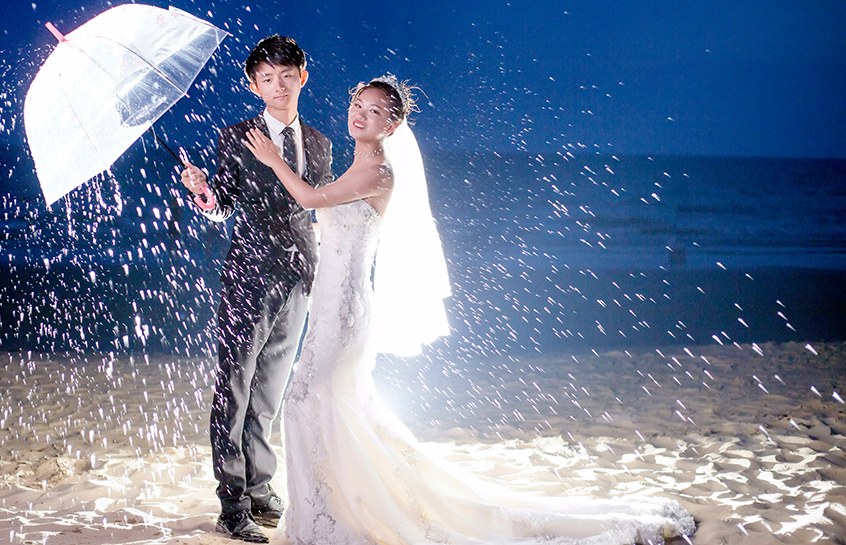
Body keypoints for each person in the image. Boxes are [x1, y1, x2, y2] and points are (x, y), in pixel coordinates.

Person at [243, 75, 697, 545]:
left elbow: (309, 198)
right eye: (359, 104)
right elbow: (330, 224)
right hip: (328, 303)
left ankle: (331, 518)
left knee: (306, 400)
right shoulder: (356, 168)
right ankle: (338, 509)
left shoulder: (378, 171)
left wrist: (274, 160)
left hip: (345, 310)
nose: (361, 114)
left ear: (392, 126)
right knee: (329, 405)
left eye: (375, 111)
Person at [179, 35, 334, 543]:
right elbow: (223, 205)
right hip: (249, 274)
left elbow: (320, 204)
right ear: (253, 85)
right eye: (267, 78)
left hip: (301, 275)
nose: (278, 85)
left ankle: (261, 488)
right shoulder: (235, 137)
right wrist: (203, 192)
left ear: (302, 77)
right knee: (235, 385)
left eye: (287, 76)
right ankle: (232, 504)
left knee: (269, 390)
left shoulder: (319, 142)